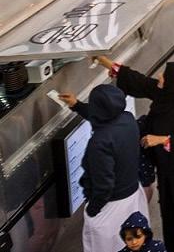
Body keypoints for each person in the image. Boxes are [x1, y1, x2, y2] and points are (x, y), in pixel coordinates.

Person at [95, 58, 174, 252]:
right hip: (171, 172)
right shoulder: (166, 95)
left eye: (164, 75)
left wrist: (162, 140)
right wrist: (106, 63)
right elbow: (141, 82)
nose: (159, 76)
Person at [56, 85, 146, 252]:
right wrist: (77, 105)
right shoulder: (127, 119)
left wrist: (93, 210)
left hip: (110, 206)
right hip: (133, 195)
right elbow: (106, 115)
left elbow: (104, 185)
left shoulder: (99, 143)